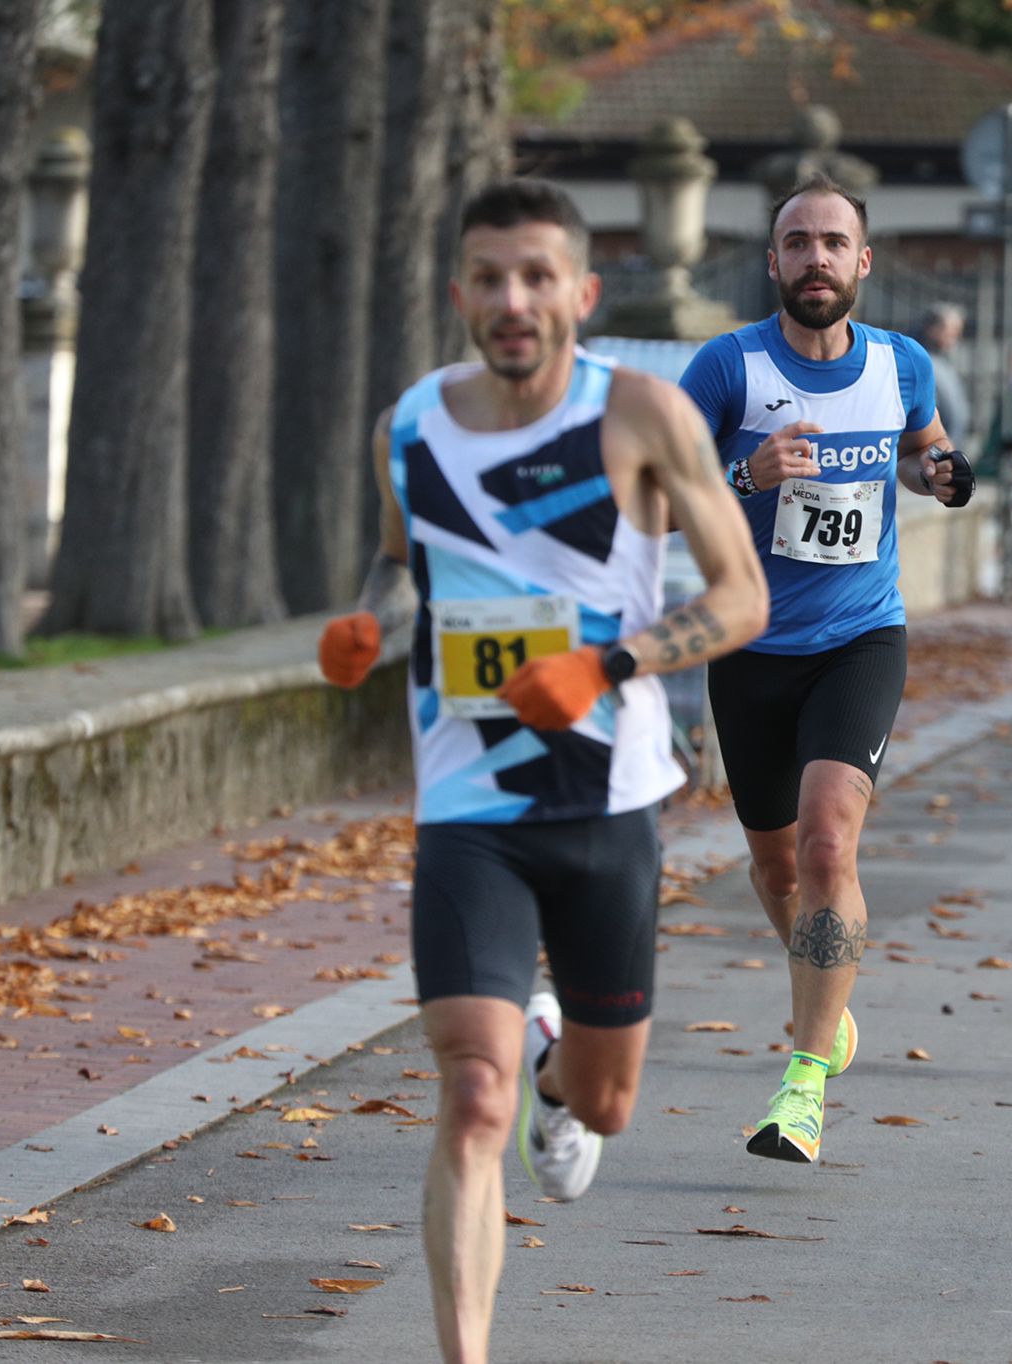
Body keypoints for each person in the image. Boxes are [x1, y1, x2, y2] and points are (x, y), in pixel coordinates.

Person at [316, 179, 769, 1362]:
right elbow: (392, 563)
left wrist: (606, 663)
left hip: (606, 800)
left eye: (535, 277)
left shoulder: (642, 417)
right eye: (488, 277)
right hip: (469, 803)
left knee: (604, 1096)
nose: (511, 301)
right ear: (460, 290)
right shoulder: (409, 424)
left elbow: (741, 597)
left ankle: (560, 1086)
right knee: (472, 1090)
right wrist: (364, 624)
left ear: (581, 291)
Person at [677, 173, 972, 1164]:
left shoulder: (901, 364)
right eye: (795, 243)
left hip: (859, 636)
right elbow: (656, 494)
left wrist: (941, 473)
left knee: (825, 847)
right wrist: (741, 475)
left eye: (831, 242)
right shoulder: (726, 368)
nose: (814, 259)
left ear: (862, 261)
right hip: (748, 643)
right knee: (773, 865)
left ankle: (801, 1085)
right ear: (773, 262)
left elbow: (931, 454)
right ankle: (824, 998)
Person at [917, 303, 974, 447]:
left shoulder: (944, 362)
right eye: (952, 330)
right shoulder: (919, 362)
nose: (956, 336)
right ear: (932, 329)